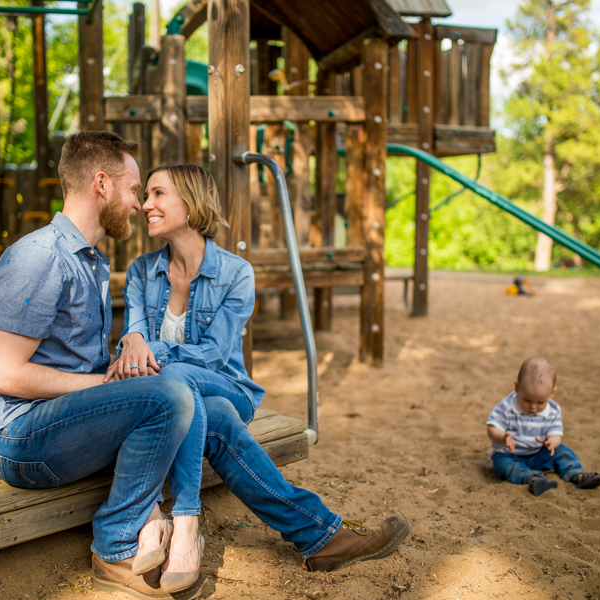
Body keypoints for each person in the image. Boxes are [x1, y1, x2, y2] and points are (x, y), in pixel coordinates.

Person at [105, 163, 412, 595]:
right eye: (147, 195)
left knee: (180, 378)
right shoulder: (140, 271)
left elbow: (213, 353)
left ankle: (182, 519)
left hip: (229, 386)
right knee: (208, 412)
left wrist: (152, 349)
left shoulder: (235, 273)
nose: (145, 204)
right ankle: (321, 535)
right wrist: (134, 341)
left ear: (190, 203)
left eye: (157, 194)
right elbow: (132, 336)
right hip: (189, 400)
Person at [0, 132, 204, 600]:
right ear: (101, 183)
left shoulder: (90, 261)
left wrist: (122, 364)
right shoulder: (40, 258)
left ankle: (179, 521)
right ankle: (116, 546)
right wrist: (104, 383)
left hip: (59, 424)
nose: (139, 204)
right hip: (19, 438)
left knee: (184, 392)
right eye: (134, 189)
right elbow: (6, 375)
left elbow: (76, 358)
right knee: (170, 396)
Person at [486, 358, 600, 496]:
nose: (533, 406)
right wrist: (503, 436)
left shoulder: (553, 409)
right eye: (527, 400)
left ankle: (577, 475)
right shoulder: (507, 406)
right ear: (517, 388)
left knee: (563, 453)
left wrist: (552, 442)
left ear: (552, 393)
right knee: (505, 467)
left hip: (539, 452)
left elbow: (556, 434)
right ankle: (535, 479)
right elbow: (491, 428)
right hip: (510, 455)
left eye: (540, 402)